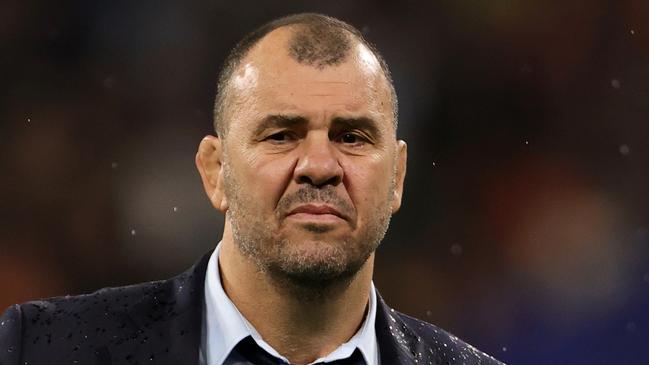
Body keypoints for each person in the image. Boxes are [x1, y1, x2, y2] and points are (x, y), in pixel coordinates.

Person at [0, 13, 503, 365]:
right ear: (214, 171)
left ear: (396, 177)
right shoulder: (44, 351)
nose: (319, 165)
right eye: (281, 135)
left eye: (351, 137)